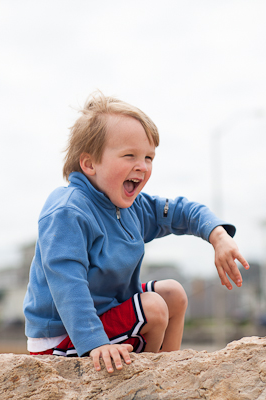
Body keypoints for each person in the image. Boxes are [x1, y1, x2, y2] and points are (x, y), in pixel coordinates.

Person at [23, 92, 248, 373]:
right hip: (61, 337)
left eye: (148, 157)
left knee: (173, 293)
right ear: (90, 164)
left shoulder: (131, 206)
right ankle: (142, 376)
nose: (142, 166)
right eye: (129, 155)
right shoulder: (68, 211)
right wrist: (95, 343)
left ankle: (169, 370)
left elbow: (183, 211)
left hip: (106, 314)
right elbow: (68, 284)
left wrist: (218, 236)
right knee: (152, 307)